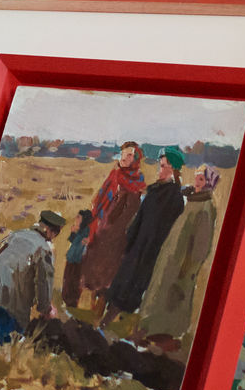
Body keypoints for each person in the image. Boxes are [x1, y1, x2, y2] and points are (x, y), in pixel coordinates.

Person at [137, 163, 220, 348]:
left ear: (208, 183)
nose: (197, 182)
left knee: (172, 302)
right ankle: (147, 331)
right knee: (158, 294)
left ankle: (162, 338)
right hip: (170, 259)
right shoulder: (191, 200)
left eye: (201, 179)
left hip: (182, 267)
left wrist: (187, 269)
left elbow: (201, 247)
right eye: (197, 177)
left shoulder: (205, 207)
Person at [102, 147, 185, 324]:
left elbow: (168, 230)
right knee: (122, 281)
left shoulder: (175, 197)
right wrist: (130, 238)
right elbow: (140, 217)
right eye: (160, 165)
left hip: (151, 251)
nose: (159, 169)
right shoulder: (154, 190)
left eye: (163, 166)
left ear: (173, 169)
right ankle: (108, 318)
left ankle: (111, 321)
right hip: (137, 245)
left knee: (133, 287)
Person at [0, 209, 66, 341]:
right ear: (52, 232)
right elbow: (44, 282)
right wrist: (46, 308)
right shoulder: (45, 249)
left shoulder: (17, 234)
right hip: (10, 304)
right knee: (10, 338)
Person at [80, 141, 146, 310]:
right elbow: (101, 200)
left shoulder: (136, 184)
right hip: (101, 228)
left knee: (108, 273)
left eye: (130, 155)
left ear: (135, 159)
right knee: (92, 267)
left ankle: (99, 307)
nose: (124, 157)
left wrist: (112, 228)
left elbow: (130, 213)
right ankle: (88, 305)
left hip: (117, 236)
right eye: (124, 153)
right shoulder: (115, 174)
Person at [61, 208, 93, 308]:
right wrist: (73, 232)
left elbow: (81, 245)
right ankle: (67, 301)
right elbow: (73, 241)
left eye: (79, 217)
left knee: (72, 281)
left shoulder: (86, 231)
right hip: (72, 258)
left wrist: (83, 241)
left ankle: (71, 302)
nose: (76, 219)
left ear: (84, 219)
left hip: (77, 260)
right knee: (67, 280)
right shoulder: (80, 230)